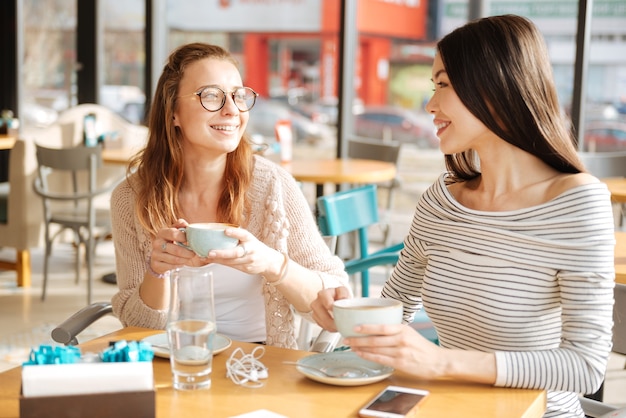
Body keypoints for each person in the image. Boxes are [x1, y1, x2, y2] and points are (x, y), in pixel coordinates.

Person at [311, 15, 615, 417]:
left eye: (443, 85)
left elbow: (585, 367)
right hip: (447, 407)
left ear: (494, 89)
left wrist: (440, 362)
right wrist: (350, 314)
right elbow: (397, 303)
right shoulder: (442, 198)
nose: (430, 105)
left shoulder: (577, 202)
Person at [110, 42, 349, 349]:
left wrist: (270, 262)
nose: (232, 110)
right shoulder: (130, 197)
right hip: (174, 361)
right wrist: (157, 271)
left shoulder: (272, 186)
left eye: (238, 95)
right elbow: (135, 328)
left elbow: (335, 298)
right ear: (173, 113)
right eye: (211, 95)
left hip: (258, 364)